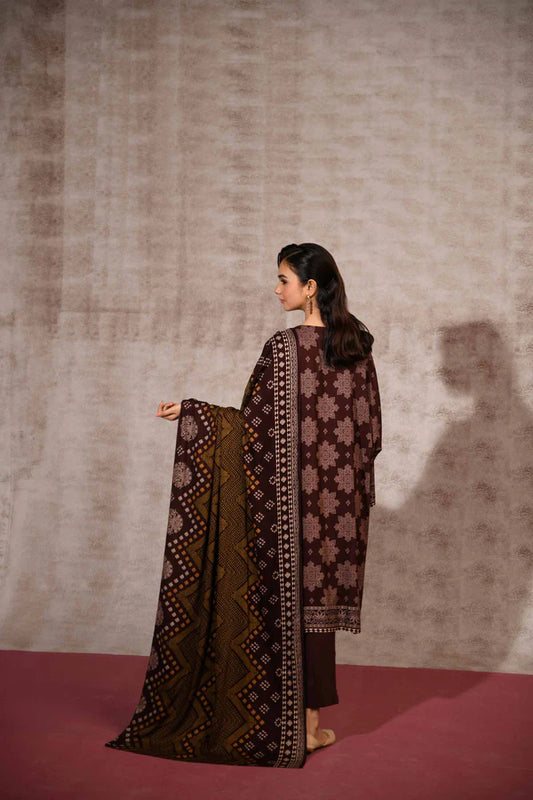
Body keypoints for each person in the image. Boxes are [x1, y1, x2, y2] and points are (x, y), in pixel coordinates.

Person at [105, 243, 381, 768]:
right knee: (316, 613)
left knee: (280, 603)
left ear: (310, 288)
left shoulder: (285, 348)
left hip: (287, 504)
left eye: (283, 281)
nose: (276, 290)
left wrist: (196, 415)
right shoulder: (355, 347)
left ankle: (279, 723)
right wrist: (346, 488)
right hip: (338, 506)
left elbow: (252, 429)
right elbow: (370, 432)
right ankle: (310, 728)